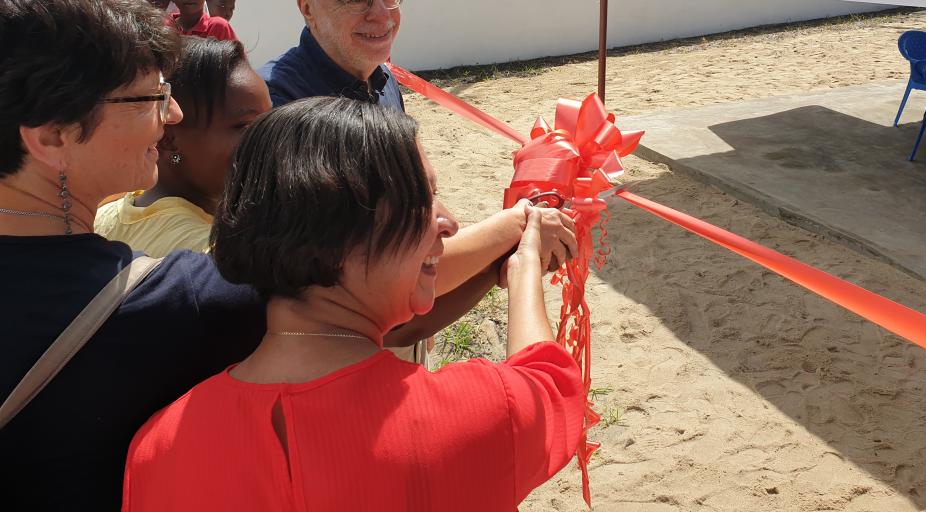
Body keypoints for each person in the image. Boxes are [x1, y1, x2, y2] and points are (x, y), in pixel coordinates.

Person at [123, 98, 584, 511]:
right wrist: (524, 266)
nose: (447, 221)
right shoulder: (476, 413)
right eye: (422, 196)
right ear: (341, 234)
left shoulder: (158, 448)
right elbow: (550, 384)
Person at [0, 0, 264, 511]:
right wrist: (508, 230)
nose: (172, 116)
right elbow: (359, 289)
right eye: (151, 97)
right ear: (52, 136)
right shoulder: (165, 305)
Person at [260, 0, 577, 357]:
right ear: (307, 8)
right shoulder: (282, 108)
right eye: (357, 0)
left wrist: (502, 255)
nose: (382, 14)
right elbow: (375, 273)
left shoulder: (381, 79)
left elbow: (411, 247)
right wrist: (516, 228)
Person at [95, 37, 270, 258]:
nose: (269, 137)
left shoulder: (108, 212)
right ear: (168, 138)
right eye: (244, 126)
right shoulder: (214, 257)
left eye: (268, 120)